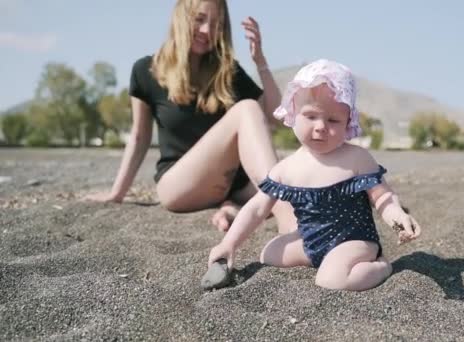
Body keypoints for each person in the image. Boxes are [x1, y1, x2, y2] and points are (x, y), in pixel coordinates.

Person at [207, 59, 422, 291]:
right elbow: (256, 209)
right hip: (310, 242)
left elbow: (382, 197)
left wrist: (396, 215)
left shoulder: (357, 159)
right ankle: (321, 260)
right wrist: (228, 244)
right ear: (293, 113)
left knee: (331, 280)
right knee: (267, 255)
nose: (320, 126)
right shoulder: (286, 169)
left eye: (333, 120)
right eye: (311, 116)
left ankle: (381, 266)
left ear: (347, 122)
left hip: (353, 241)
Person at [85, 0, 296, 233]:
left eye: (216, 24)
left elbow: (277, 118)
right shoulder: (146, 71)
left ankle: (234, 208)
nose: (207, 30)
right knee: (246, 109)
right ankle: (287, 220)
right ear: (180, 17)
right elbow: (139, 137)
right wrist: (117, 193)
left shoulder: (226, 71)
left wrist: (261, 62)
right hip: (181, 186)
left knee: (300, 175)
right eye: (199, 19)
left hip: (233, 186)